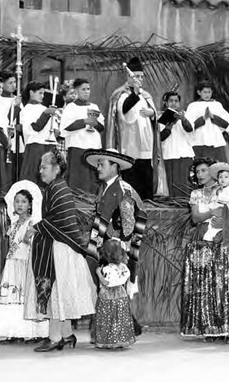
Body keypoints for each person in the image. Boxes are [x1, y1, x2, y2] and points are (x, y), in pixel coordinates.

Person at [24, 149, 97, 352]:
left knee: (56, 293)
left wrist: (36, 227)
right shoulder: (55, 188)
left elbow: (60, 221)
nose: (40, 171)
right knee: (58, 295)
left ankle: (55, 337)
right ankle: (66, 335)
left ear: (57, 168)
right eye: (40, 167)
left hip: (61, 249)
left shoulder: (58, 189)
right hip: (58, 247)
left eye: (44, 167)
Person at [181, 157, 229, 343]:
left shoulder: (228, 191)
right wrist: (212, 212)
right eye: (198, 171)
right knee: (206, 283)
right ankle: (210, 327)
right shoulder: (196, 194)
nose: (200, 174)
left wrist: (224, 219)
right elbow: (195, 218)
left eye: (203, 170)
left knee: (227, 282)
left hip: (225, 238)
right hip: (204, 240)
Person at [84, 148, 148, 338]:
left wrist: (121, 248)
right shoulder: (104, 188)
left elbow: (130, 222)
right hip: (106, 243)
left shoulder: (122, 189)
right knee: (109, 287)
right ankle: (123, 327)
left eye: (102, 164)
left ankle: (121, 329)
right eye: (98, 165)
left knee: (114, 285)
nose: (98, 168)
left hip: (116, 247)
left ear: (115, 167)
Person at [0, 180, 49, 344]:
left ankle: (33, 333)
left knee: (26, 298)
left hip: (26, 264)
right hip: (12, 265)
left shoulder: (33, 223)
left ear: (30, 204)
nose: (20, 204)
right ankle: (14, 332)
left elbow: (35, 246)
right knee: (11, 298)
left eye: (24, 201)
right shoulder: (13, 224)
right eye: (17, 201)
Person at [105, 57, 167, 200]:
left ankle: (147, 201)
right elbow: (123, 112)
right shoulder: (121, 94)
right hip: (129, 142)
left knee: (146, 172)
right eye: (136, 76)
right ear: (129, 76)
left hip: (146, 142)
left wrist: (153, 114)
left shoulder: (146, 95)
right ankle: (130, 201)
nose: (140, 79)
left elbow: (154, 117)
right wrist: (135, 94)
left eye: (141, 76)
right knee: (131, 174)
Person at [60, 78, 104, 194]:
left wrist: (95, 123)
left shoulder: (94, 106)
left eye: (88, 89)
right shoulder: (71, 108)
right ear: (76, 91)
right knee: (79, 179)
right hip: (77, 146)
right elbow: (66, 126)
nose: (86, 92)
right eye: (83, 89)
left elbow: (102, 128)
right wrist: (84, 121)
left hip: (94, 147)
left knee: (93, 179)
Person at [95, 239, 136, 349]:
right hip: (121, 293)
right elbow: (127, 276)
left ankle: (109, 340)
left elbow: (106, 282)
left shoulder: (108, 269)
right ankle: (120, 339)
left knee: (108, 318)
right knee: (120, 318)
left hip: (108, 295)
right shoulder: (123, 267)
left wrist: (99, 273)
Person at [19, 81, 58, 185]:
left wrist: (56, 128)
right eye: (40, 93)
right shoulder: (26, 110)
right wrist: (46, 114)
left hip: (49, 146)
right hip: (35, 146)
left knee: (49, 176)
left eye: (43, 93)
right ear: (31, 93)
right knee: (34, 176)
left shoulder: (44, 108)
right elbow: (36, 127)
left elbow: (54, 130)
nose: (43, 96)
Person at [184, 80, 229, 162]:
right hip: (199, 142)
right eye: (205, 92)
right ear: (199, 92)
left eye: (209, 92)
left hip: (216, 142)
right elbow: (189, 126)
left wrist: (213, 117)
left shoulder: (217, 105)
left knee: (219, 167)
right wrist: (203, 118)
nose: (207, 95)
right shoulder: (193, 106)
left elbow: (226, 124)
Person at [158, 91, 194, 198]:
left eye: (176, 101)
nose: (173, 103)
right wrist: (170, 124)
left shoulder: (186, 115)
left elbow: (190, 129)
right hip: (169, 153)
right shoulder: (161, 117)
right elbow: (161, 137)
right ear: (166, 103)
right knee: (171, 183)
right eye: (171, 101)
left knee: (184, 182)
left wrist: (183, 119)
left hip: (184, 153)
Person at [203, 162, 229, 242]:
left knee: (216, 226)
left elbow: (225, 199)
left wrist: (217, 193)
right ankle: (209, 238)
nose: (223, 179)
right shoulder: (222, 189)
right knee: (211, 225)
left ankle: (213, 238)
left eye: (226, 177)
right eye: (220, 177)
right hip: (221, 213)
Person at [0, 70, 25, 182]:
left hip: (18, 139)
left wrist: (22, 127)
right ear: (2, 84)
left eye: (15, 82)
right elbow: (3, 120)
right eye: (10, 83)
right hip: (6, 139)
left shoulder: (17, 99)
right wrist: (15, 106)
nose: (14, 85)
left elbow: (23, 117)